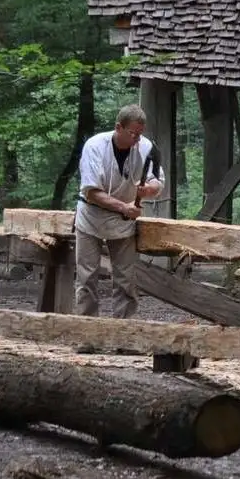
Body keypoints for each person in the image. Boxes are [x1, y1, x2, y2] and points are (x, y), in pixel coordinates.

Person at [73, 103, 164, 318]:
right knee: (86, 279)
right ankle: (87, 335)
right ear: (118, 127)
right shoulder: (95, 146)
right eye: (132, 133)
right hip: (91, 218)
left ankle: (124, 334)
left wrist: (150, 189)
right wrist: (124, 207)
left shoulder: (145, 148)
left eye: (140, 134)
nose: (137, 139)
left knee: (126, 280)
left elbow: (158, 180)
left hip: (124, 223)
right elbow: (92, 192)